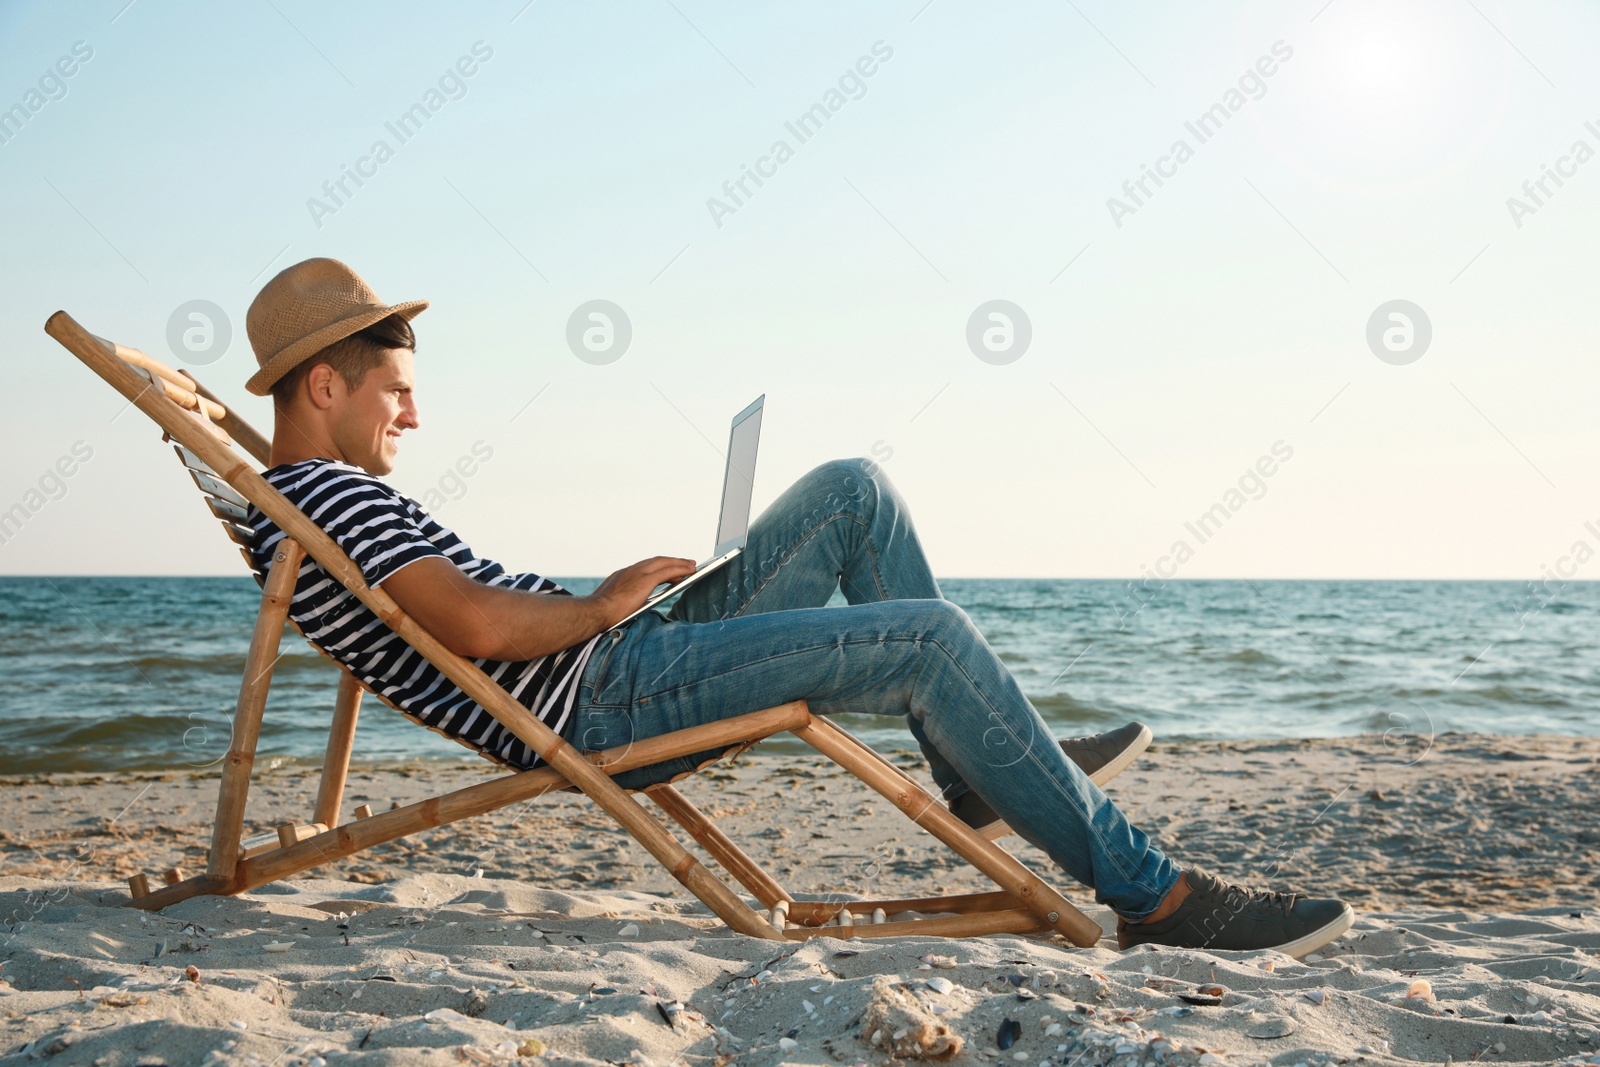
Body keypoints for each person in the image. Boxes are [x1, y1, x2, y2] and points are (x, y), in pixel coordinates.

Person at [240, 258, 1354, 957]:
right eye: (397, 393)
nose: (413, 419)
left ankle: (973, 771)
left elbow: (449, 626)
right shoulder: (325, 496)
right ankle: (1155, 896)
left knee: (850, 491)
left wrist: (618, 604)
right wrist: (596, 606)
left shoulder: (314, 497)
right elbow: (473, 630)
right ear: (324, 388)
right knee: (931, 638)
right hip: (607, 695)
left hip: (624, 655)